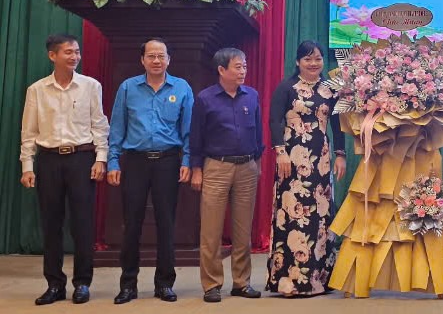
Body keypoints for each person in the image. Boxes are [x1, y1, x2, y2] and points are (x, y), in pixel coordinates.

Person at [19, 34, 110, 306]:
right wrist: (27, 165)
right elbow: (28, 131)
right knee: (51, 225)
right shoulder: (37, 90)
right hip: (48, 161)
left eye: (77, 52)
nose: (74, 57)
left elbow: (99, 124)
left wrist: (100, 158)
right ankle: (54, 284)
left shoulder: (90, 86)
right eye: (68, 52)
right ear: (52, 56)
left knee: (82, 226)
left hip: (82, 159)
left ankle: (82, 283)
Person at [107, 38, 193, 304]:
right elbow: (117, 127)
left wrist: (187, 160)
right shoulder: (128, 87)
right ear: (142, 59)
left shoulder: (181, 87)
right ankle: (128, 285)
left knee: (166, 223)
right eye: (151, 56)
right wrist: (113, 161)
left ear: (169, 59)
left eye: (161, 56)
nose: (157, 60)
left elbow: (189, 130)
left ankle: (164, 283)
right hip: (134, 162)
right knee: (131, 224)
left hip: (168, 162)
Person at [266, 40, 346, 296]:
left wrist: (340, 155)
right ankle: (290, 279)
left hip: (321, 160)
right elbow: (274, 120)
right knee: (294, 213)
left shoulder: (329, 89)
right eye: (308, 59)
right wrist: (280, 153)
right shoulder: (287, 87)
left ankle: (319, 279)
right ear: (298, 62)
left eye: (318, 59)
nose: (313, 64)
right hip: (292, 160)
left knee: (319, 215)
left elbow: (337, 124)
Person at [189, 48, 264, 302]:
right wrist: (196, 169)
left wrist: (257, 162)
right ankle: (212, 284)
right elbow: (196, 136)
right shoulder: (205, 98)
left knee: (243, 231)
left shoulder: (252, 96)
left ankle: (241, 282)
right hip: (216, 167)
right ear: (221, 70)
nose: (243, 71)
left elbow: (258, 133)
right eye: (237, 67)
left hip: (247, 166)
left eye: (244, 66)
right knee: (211, 230)